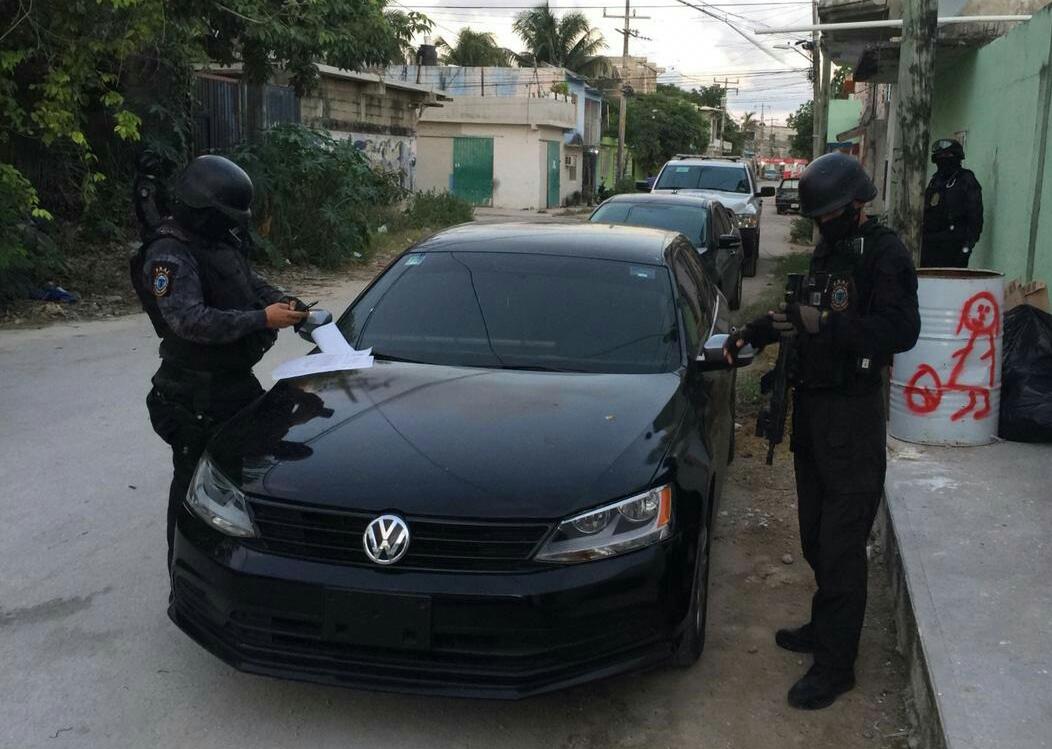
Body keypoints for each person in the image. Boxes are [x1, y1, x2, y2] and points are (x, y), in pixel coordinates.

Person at [725, 152, 920, 710]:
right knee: (814, 534)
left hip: (852, 417)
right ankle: (825, 625)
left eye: (827, 215)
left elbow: (901, 329)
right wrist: (756, 332)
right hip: (813, 413)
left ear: (856, 205)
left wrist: (830, 326)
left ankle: (836, 667)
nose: (821, 225)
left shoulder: (884, 253)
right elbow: (799, 313)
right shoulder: (830, 250)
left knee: (840, 546)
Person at [130, 154, 306, 565]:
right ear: (203, 209)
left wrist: (282, 301)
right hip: (191, 394)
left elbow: (248, 281)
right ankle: (184, 574)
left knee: (250, 463)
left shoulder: (215, 240)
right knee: (192, 486)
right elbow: (188, 321)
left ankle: (244, 556)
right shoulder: (169, 254)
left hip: (230, 383)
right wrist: (262, 319)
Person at [922, 138, 983, 268]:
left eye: (947, 155)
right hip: (930, 245)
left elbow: (975, 215)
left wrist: (967, 246)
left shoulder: (965, 179)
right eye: (940, 156)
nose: (943, 160)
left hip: (954, 246)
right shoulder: (935, 180)